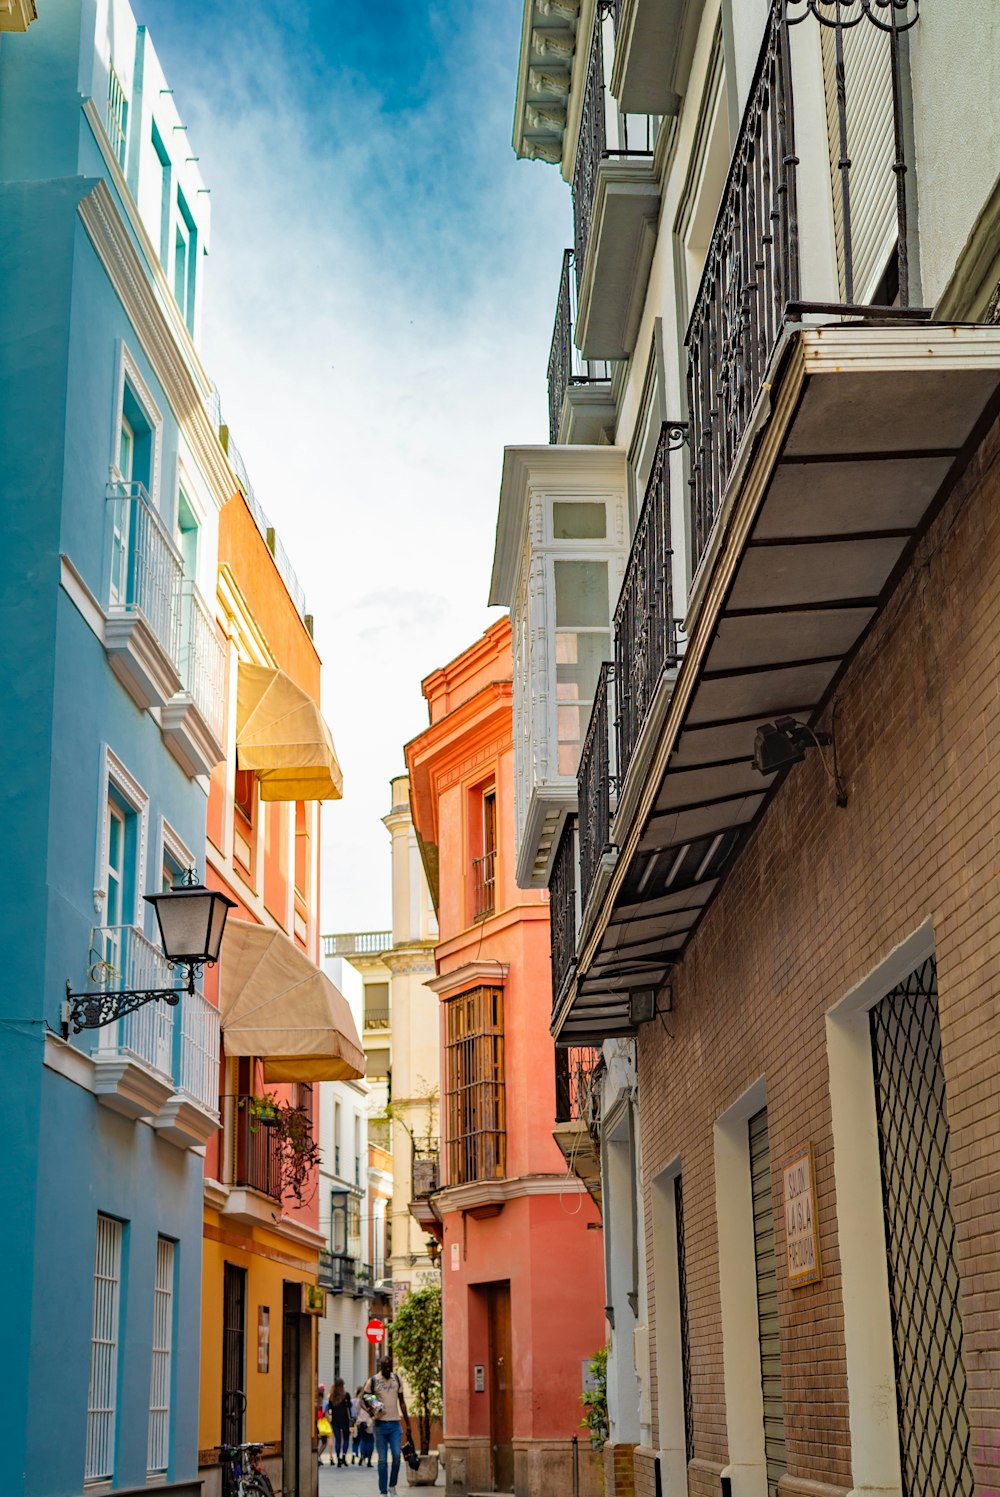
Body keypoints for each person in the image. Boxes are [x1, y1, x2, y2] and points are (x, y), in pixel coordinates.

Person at [366, 1355, 412, 1497]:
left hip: (395, 1424)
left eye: (389, 1367)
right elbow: (365, 1397)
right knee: (382, 1460)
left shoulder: (396, 1379)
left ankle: (392, 1486)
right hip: (380, 1425)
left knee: (397, 1456)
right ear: (380, 1366)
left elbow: (402, 1402)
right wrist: (371, 1408)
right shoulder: (373, 1381)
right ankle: (383, 1491)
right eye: (385, 1367)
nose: (387, 1369)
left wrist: (408, 1423)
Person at [325, 1378, 353, 1468]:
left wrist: (330, 1419)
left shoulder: (332, 1396)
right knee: (345, 1439)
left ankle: (338, 1458)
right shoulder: (346, 1395)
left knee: (338, 1440)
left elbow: (329, 1409)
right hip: (345, 1420)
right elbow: (350, 1406)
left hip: (335, 1421)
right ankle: (344, 1456)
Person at [353, 1385, 375, 1467]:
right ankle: (369, 1460)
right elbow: (377, 1409)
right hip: (369, 1422)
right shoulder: (371, 1397)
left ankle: (362, 1455)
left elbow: (356, 1410)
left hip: (360, 1421)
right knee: (370, 1441)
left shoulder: (359, 1399)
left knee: (363, 1440)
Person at [316, 1384, 332, 1466]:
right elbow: (326, 1415)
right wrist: (329, 1422)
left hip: (316, 1424)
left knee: (316, 1442)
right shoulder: (325, 1403)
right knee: (324, 1443)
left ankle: (316, 1456)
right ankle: (318, 1455)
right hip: (323, 1425)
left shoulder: (314, 1402)